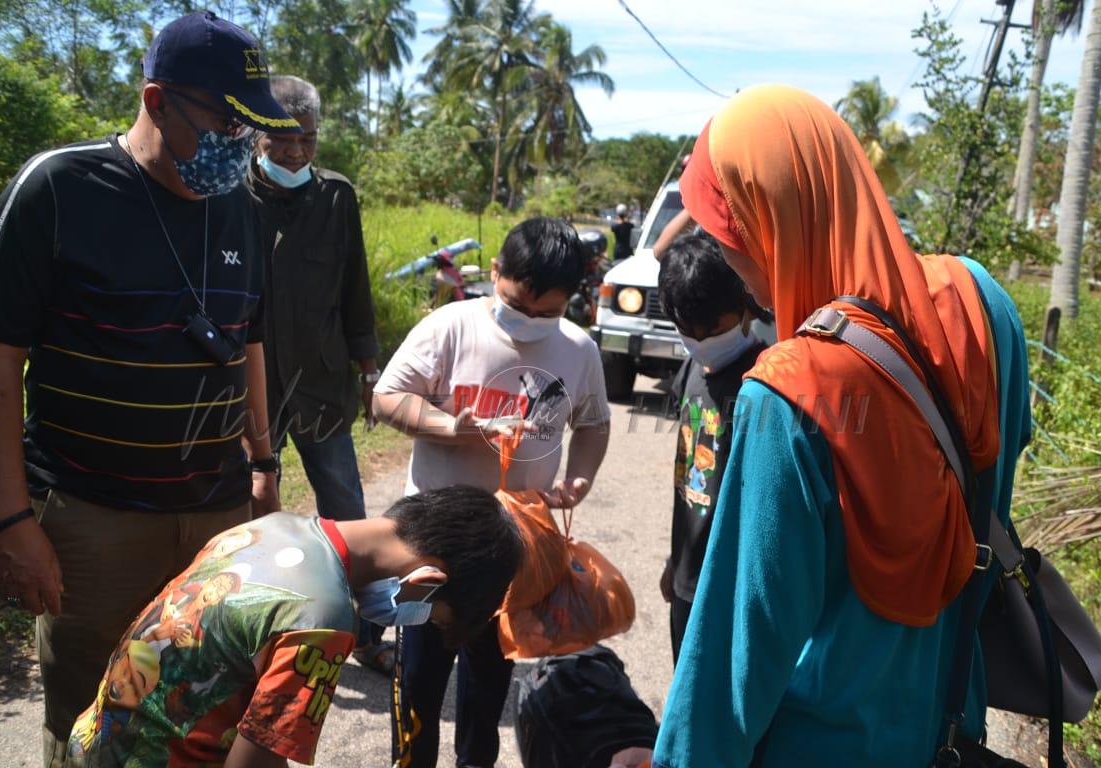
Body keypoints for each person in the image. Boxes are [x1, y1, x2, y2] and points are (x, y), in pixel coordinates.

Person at [0, 11, 297, 764]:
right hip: (92, 522)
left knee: (203, 704)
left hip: (215, 515)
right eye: (225, 122)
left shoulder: (238, 205)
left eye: (253, 128)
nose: (242, 143)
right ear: (156, 100)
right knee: (90, 718)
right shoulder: (59, 189)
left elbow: (251, 339)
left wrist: (263, 463)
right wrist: (10, 520)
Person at [653, 85, 1031, 767]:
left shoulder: (791, 388)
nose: (732, 263)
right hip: (947, 730)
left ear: (771, 219)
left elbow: (737, 653)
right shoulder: (983, 303)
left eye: (730, 233)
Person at [373, 216, 611, 768]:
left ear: (570, 300)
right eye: (517, 304)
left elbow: (594, 423)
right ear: (496, 272)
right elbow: (386, 398)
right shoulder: (450, 326)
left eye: (546, 312)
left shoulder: (578, 350)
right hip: (429, 543)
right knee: (418, 684)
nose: (528, 322)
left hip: (515, 546)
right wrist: (449, 427)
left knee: (488, 684)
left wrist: (580, 476)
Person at [66, 485, 524, 767]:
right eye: (430, 614)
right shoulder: (324, 622)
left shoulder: (272, 526)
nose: (414, 620)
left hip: (96, 740)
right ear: (427, 580)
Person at [245, 74, 392, 675]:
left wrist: (367, 370)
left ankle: (369, 633)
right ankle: (255, 635)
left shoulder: (337, 197)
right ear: (258, 136)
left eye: (308, 140)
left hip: (324, 383)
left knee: (346, 506)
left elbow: (355, 289)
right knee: (253, 511)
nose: (298, 154)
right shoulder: (229, 196)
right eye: (284, 141)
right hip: (251, 390)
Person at [655, 231, 767, 664]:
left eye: (713, 329)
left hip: (732, 589)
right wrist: (675, 560)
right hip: (688, 577)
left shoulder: (766, 381)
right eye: (689, 331)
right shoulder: (692, 371)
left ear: (745, 303)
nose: (701, 340)